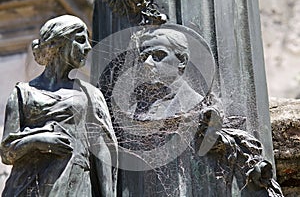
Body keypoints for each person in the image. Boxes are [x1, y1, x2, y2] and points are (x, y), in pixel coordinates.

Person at [101, 26, 283, 196]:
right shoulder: (134, 110)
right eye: (143, 58)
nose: (147, 64)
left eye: (158, 56)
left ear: (182, 61)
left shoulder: (194, 103)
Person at [0, 15, 117, 197]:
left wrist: (107, 194)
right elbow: (7, 153)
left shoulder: (90, 94)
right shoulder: (23, 93)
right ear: (57, 44)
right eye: (79, 40)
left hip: (75, 183)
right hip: (28, 185)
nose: (87, 48)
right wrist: (38, 140)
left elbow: (102, 149)